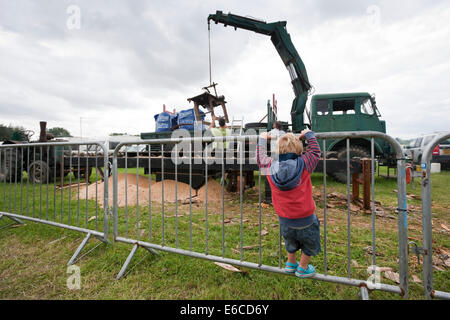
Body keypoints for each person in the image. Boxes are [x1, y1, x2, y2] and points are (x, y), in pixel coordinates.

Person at [256, 129, 321, 277]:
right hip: (306, 219)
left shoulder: (270, 167)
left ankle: (290, 264)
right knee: (309, 243)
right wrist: (309, 134)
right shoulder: (304, 163)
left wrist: (261, 139)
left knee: (290, 242)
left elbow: (260, 158)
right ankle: (303, 268)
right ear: (299, 149)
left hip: (285, 219)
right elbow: (316, 152)